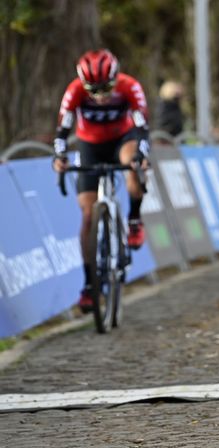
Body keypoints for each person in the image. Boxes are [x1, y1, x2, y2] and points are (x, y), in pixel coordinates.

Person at [51, 49, 150, 311]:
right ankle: (89, 284)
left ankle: (134, 220)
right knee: (87, 216)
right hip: (90, 145)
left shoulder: (130, 87)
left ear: (116, 78)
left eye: (106, 88)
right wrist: (59, 156)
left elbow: (142, 127)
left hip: (123, 139)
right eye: (93, 90)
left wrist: (142, 155)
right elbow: (62, 129)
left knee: (133, 164)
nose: (101, 96)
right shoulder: (74, 91)